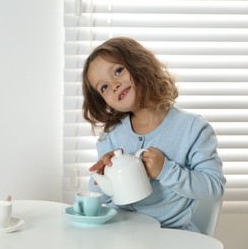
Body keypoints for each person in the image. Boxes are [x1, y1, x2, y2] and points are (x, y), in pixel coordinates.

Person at [82, 37, 226, 232]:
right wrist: (102, 174)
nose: (114, 84)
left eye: (118, 71)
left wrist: (166, 171)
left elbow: (214, 188)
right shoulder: (111, 136)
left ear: (139, 64)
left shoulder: (192, 129)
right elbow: (102, 196)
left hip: (169, 235)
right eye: (104, 87)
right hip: (119, 233)